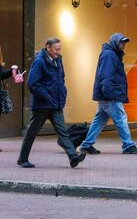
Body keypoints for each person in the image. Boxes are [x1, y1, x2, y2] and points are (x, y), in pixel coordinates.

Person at [17, 38, 87, 168]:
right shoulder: (39, 61)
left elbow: (62, 79)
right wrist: (47, 96)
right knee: (32, 132)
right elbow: (33, 84)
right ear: (48, 47)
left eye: (59, 49)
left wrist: (63, 94)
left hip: (56, 105)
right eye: (56, 49)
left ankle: (73, 157)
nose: (58, 52)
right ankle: (22, 159)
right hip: (42, 106)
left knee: (63, 132)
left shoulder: (58, 60)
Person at [79, 33, 137, 155]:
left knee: (100, 119)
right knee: (121, 118)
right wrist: (109, 94)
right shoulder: (109, 55)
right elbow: (106, 76)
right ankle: (128, 145)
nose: (123, 45)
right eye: (121, 42)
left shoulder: (111, 54)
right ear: (115, 42)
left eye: (124, 42)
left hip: (107, 94)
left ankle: (86, 145)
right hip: (110, 95)